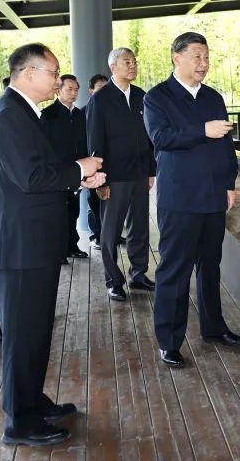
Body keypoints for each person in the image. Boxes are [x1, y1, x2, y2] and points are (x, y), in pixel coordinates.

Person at [0, 43, 104, 446]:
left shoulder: (22, 112)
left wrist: (79, 177)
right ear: (29, 73)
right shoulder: (8, 115)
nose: (57, 79)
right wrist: (79, 168)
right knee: (22, 335)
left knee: (34, 331)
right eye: (53, 72)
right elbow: (30, 178)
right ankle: (20, 422)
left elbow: (41, 170)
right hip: (21, 245)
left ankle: (30, 401)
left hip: (33, 241)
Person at [144, 32, 240, 368]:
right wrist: (202, 130)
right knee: (174, 270)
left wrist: (229, 184)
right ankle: (169, 341)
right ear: (177, 58)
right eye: (197, 57)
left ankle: (214, 327)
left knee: (210, 266)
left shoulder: (213, 97)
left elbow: (225, 145)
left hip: (214, 195)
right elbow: (161, 138)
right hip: (180, 199)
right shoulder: (157, 97)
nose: (204, 63)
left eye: (206, 57)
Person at [86, 49, 156, 303]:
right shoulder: (100, 99)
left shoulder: (141, 96)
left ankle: (138, 274)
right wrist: (100, 179)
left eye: (134, 61)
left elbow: (149, 137)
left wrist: (151, 171)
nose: (133, 65)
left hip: (139, 173)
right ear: (113, 67)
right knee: (110, 232)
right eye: (127, 62)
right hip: (113, 176)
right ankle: (113, 281)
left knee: (140, 227)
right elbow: (95, 141)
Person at [42, 75, 90, 261]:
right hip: (57, 171)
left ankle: (72, 245)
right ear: (58, 91)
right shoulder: (48, 115)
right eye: (69, 89)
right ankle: (59, 250)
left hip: (77, 169)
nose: (73, 93)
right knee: (58, 212)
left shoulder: (80, 114)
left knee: (74, 210)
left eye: (76, 89)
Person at [85, 73, 109, 251]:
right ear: (91, 91)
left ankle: (109, 235)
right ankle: (96, 235)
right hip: (90, 167)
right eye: (100, 88)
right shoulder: (84, 111)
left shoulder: (112, 110)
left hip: (109, 166)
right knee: (94, 203)